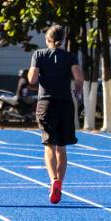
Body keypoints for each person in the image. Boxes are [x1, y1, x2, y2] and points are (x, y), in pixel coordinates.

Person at [28, 25, 83, 204]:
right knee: (62, 147)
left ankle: (53, 181)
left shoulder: (39, 55)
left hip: (46, 103)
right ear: (63, 39)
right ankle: (61, 183)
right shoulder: (70, 56)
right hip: (65, 103)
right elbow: (79, 78)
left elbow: (32, 79)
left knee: (49, 145)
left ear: (47, 40)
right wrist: (78, 91)